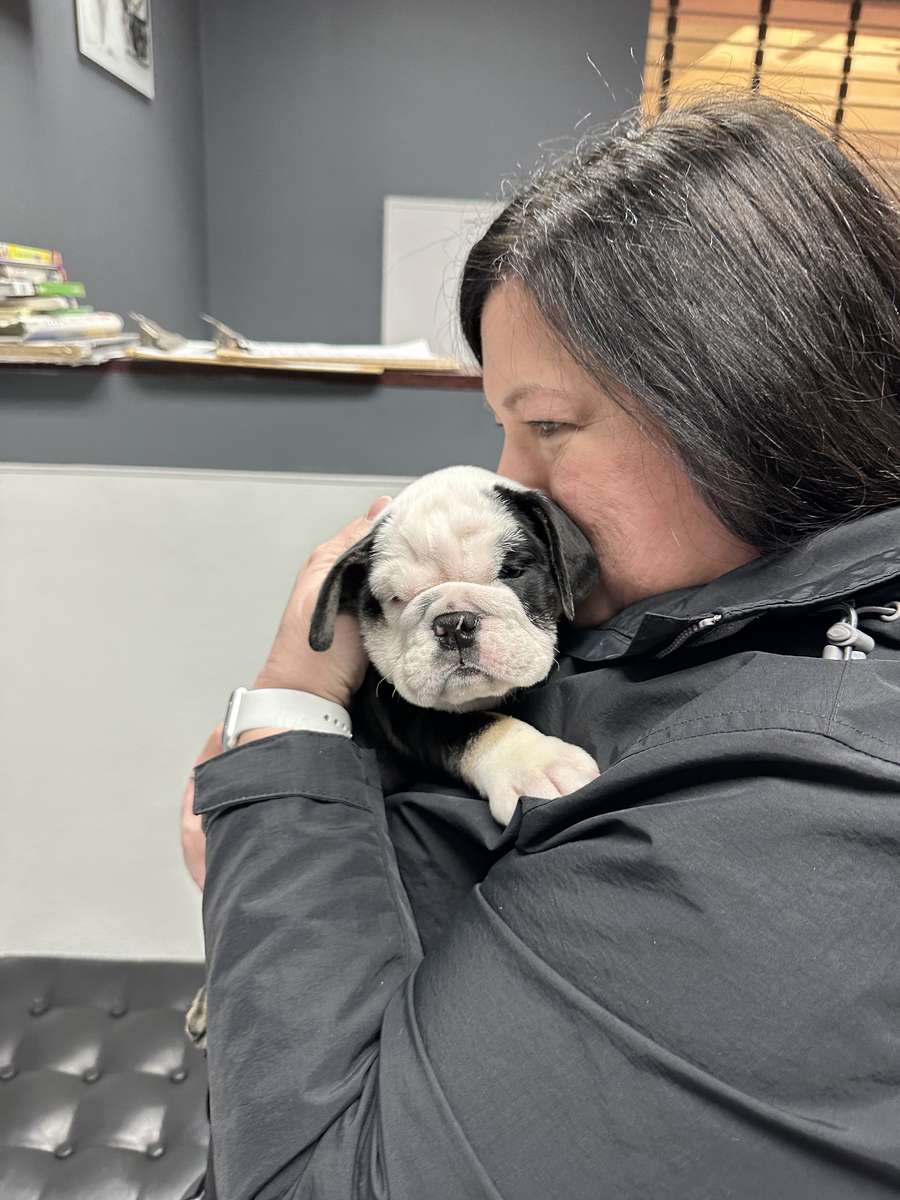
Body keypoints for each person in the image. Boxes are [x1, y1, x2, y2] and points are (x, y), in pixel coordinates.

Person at [179, 91, 900, 1198]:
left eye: (549, 424)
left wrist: (277, 802)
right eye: (501, 425)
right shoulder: (718, 617)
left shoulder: (811, 804)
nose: (513, 478)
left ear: (747, 398)